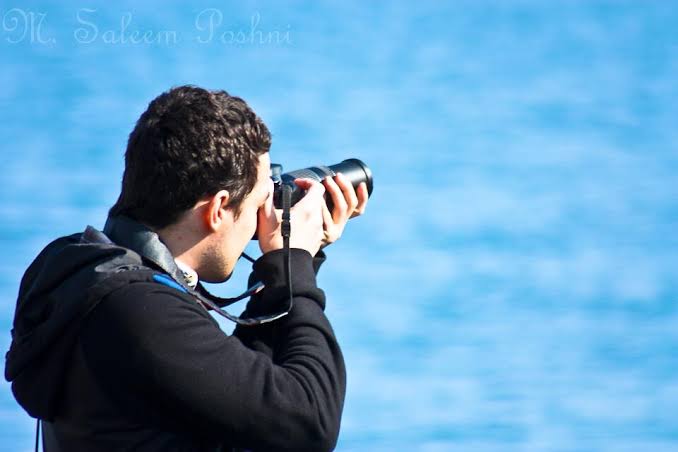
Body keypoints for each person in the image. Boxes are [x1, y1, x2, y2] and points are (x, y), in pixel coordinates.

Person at [5, 85, 368, 451]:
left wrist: (288, 271)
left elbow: (246, 399)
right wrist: (294, 261)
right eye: (260, 199)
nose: (263, 215)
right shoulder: (137, 309)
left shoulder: (89, 274)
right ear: (217, 209)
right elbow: (309, 422)